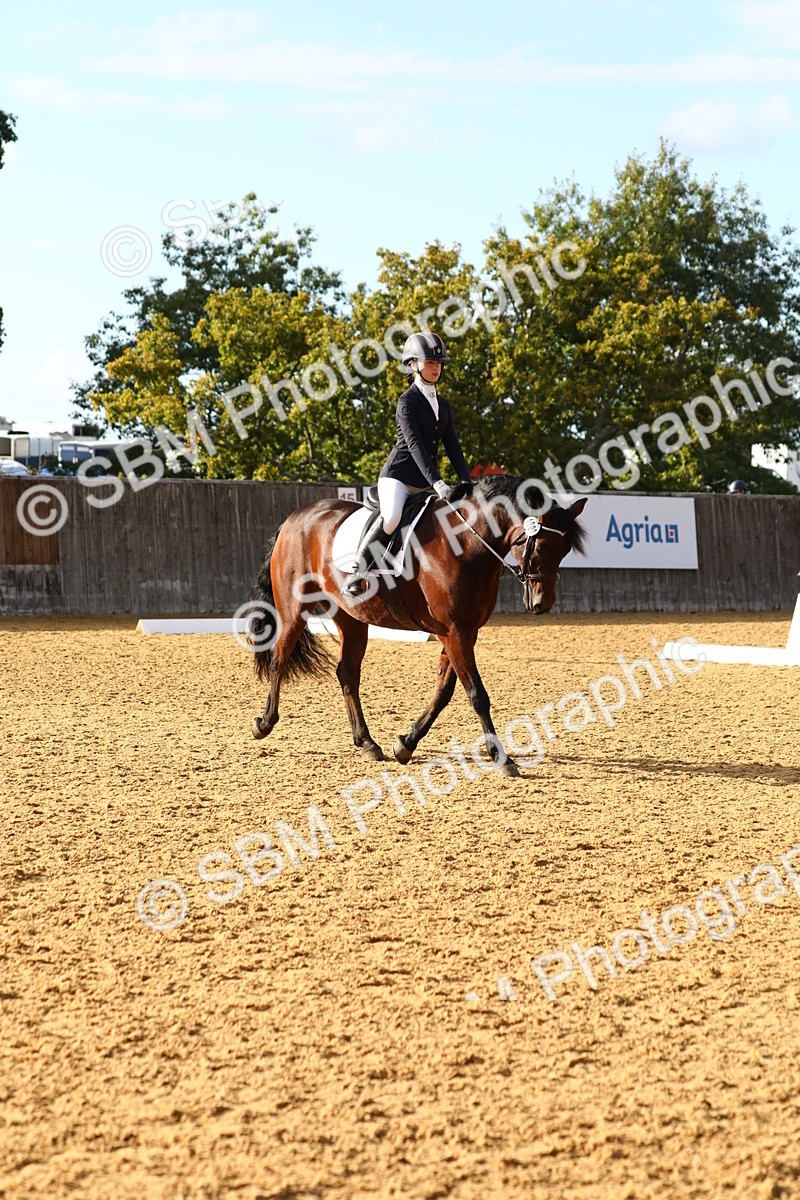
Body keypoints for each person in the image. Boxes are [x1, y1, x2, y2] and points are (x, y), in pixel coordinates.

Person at [343, 331, 472, 596]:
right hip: (398, 477)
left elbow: (453, 447)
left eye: (439, 364)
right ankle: (357, 570)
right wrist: (437, 481)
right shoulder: (407, 402)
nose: (436, 368)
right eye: (430, 363)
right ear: (413, 364)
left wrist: (467, 482)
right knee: (391, 519)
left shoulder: (443, 404)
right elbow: (414, 445)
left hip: (426, 481)